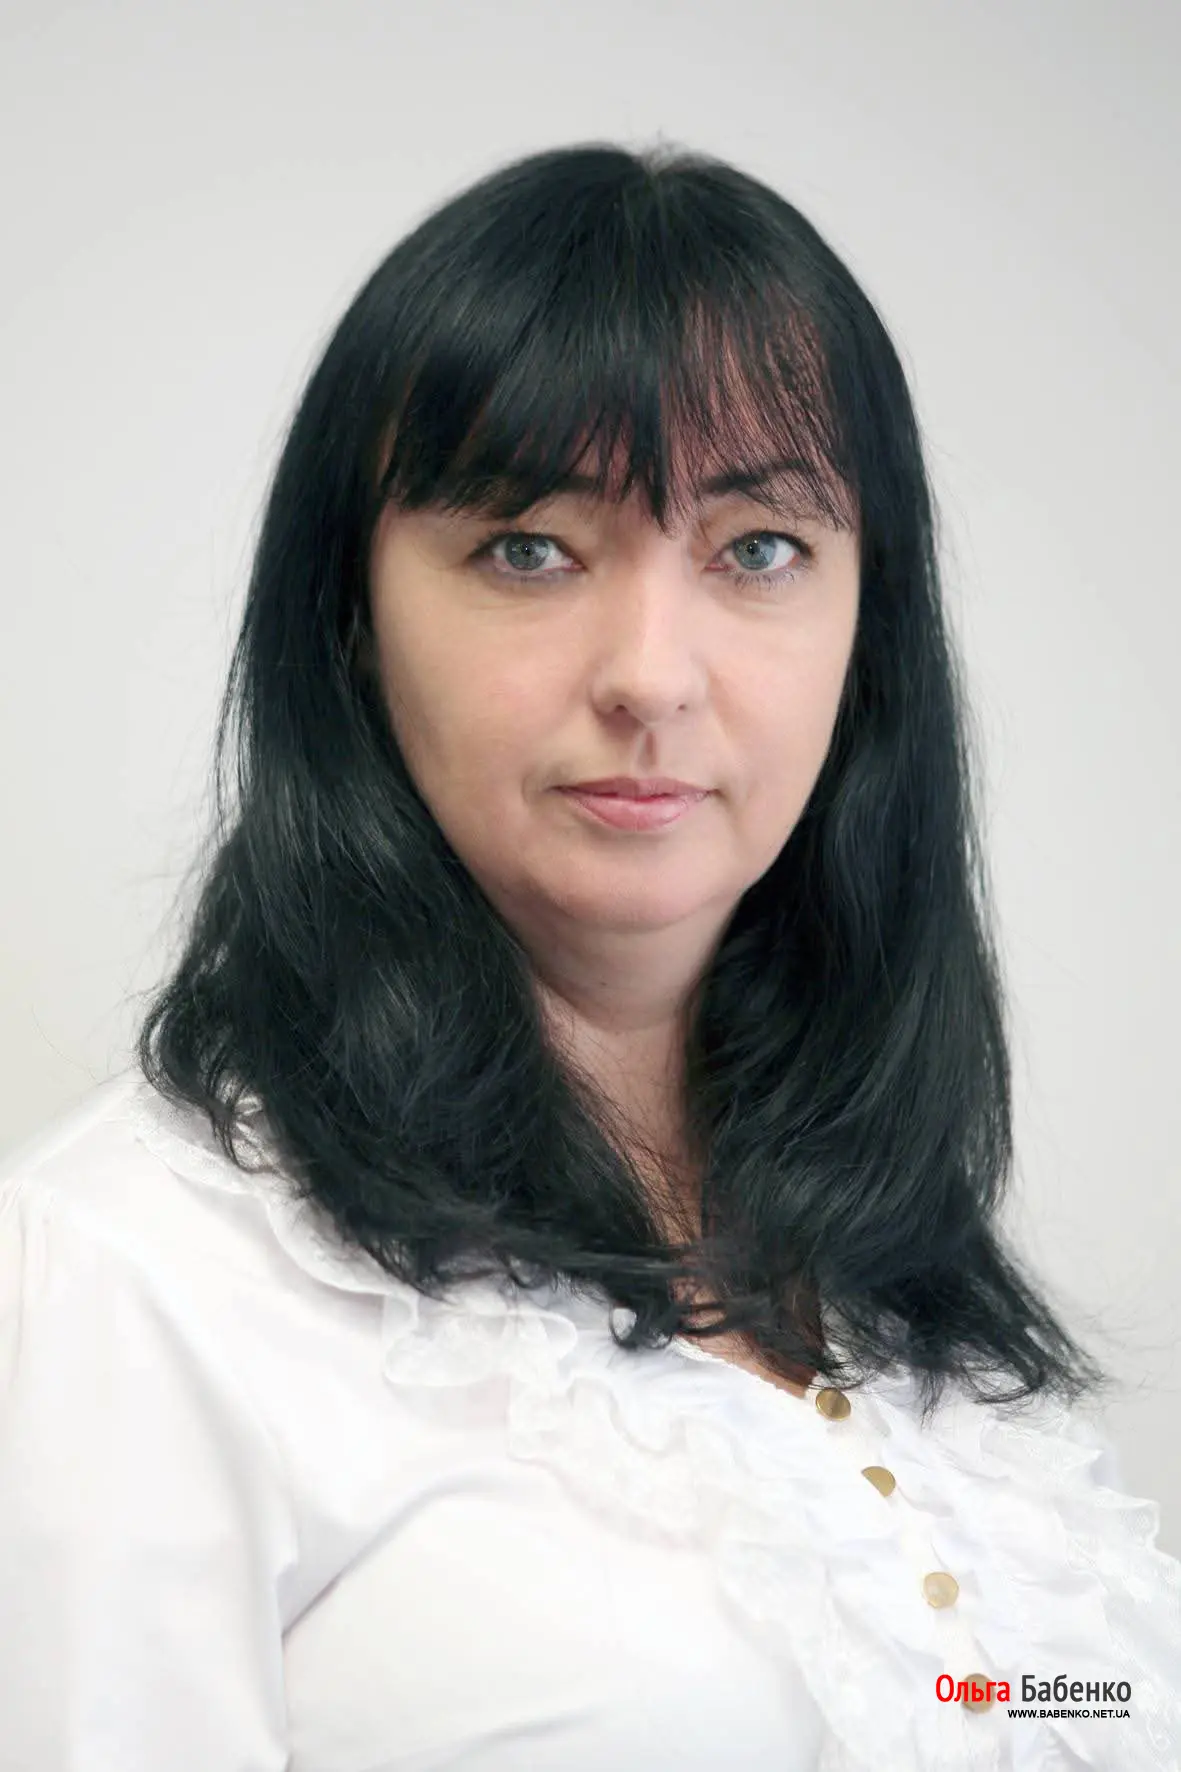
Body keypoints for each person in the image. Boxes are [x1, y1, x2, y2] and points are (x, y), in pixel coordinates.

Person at [1, 139, 1177, 1772]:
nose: (651, 675)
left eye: (758, 549)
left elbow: (1002, 1708)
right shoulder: (136, 1282)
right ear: (350, 617)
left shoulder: (894, 1276)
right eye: (530, 547)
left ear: (870, 630)